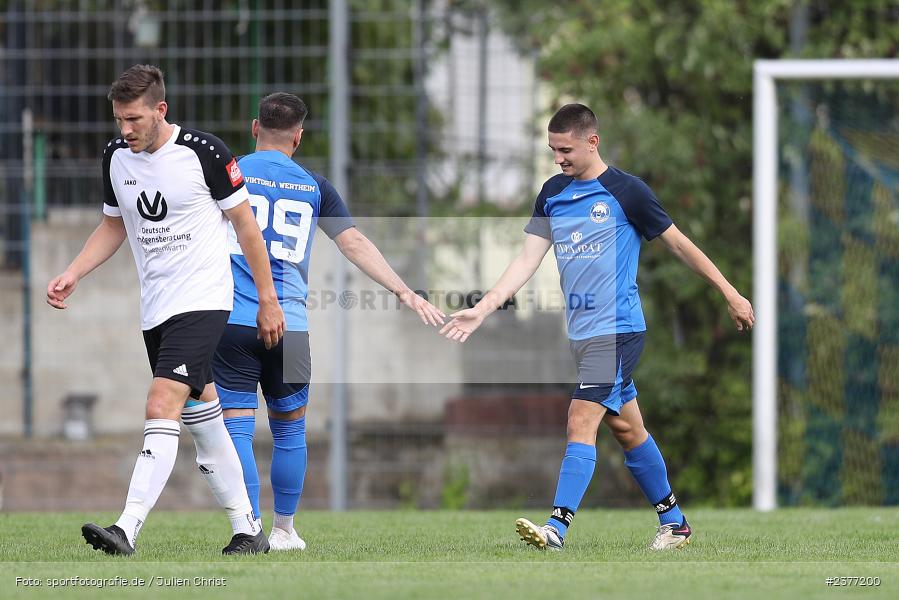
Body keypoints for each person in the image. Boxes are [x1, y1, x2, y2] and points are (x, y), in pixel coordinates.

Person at [439, 103, 754, 551]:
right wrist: (485, 308)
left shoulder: (628, 192)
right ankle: (676, 523)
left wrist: (730, 292)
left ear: (593, 141)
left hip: (619, 329)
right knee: (628, 430)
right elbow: (527, 259)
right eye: (552, 150)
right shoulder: (552, 193)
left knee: (580, 419)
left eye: (565, 149)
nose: (557, 159)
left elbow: (680, 245)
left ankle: (557, 528)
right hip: (583, 335)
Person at [47, 65, 286, 556]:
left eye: (134, 119)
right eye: (119, 119)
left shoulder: (206, 153)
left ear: (161, 110)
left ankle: (126, 528)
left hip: (202, 301)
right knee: (203, 416)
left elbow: (245, 228)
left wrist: (267, 299)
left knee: (161, 405)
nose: (125, 129)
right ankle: (248, 530)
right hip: (155, 308)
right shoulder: (117, 157)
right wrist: (74, 271)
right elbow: (113, 226)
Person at [214, 92, 444, 551]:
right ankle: (284, 530)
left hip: (233, 321)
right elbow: (353, 242)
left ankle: (248, 528)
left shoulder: (228, 172)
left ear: (254, 127)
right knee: (291, 428)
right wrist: (403, 290)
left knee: (236, 426)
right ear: (299, 137)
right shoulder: (314, 186)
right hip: (292, 330)